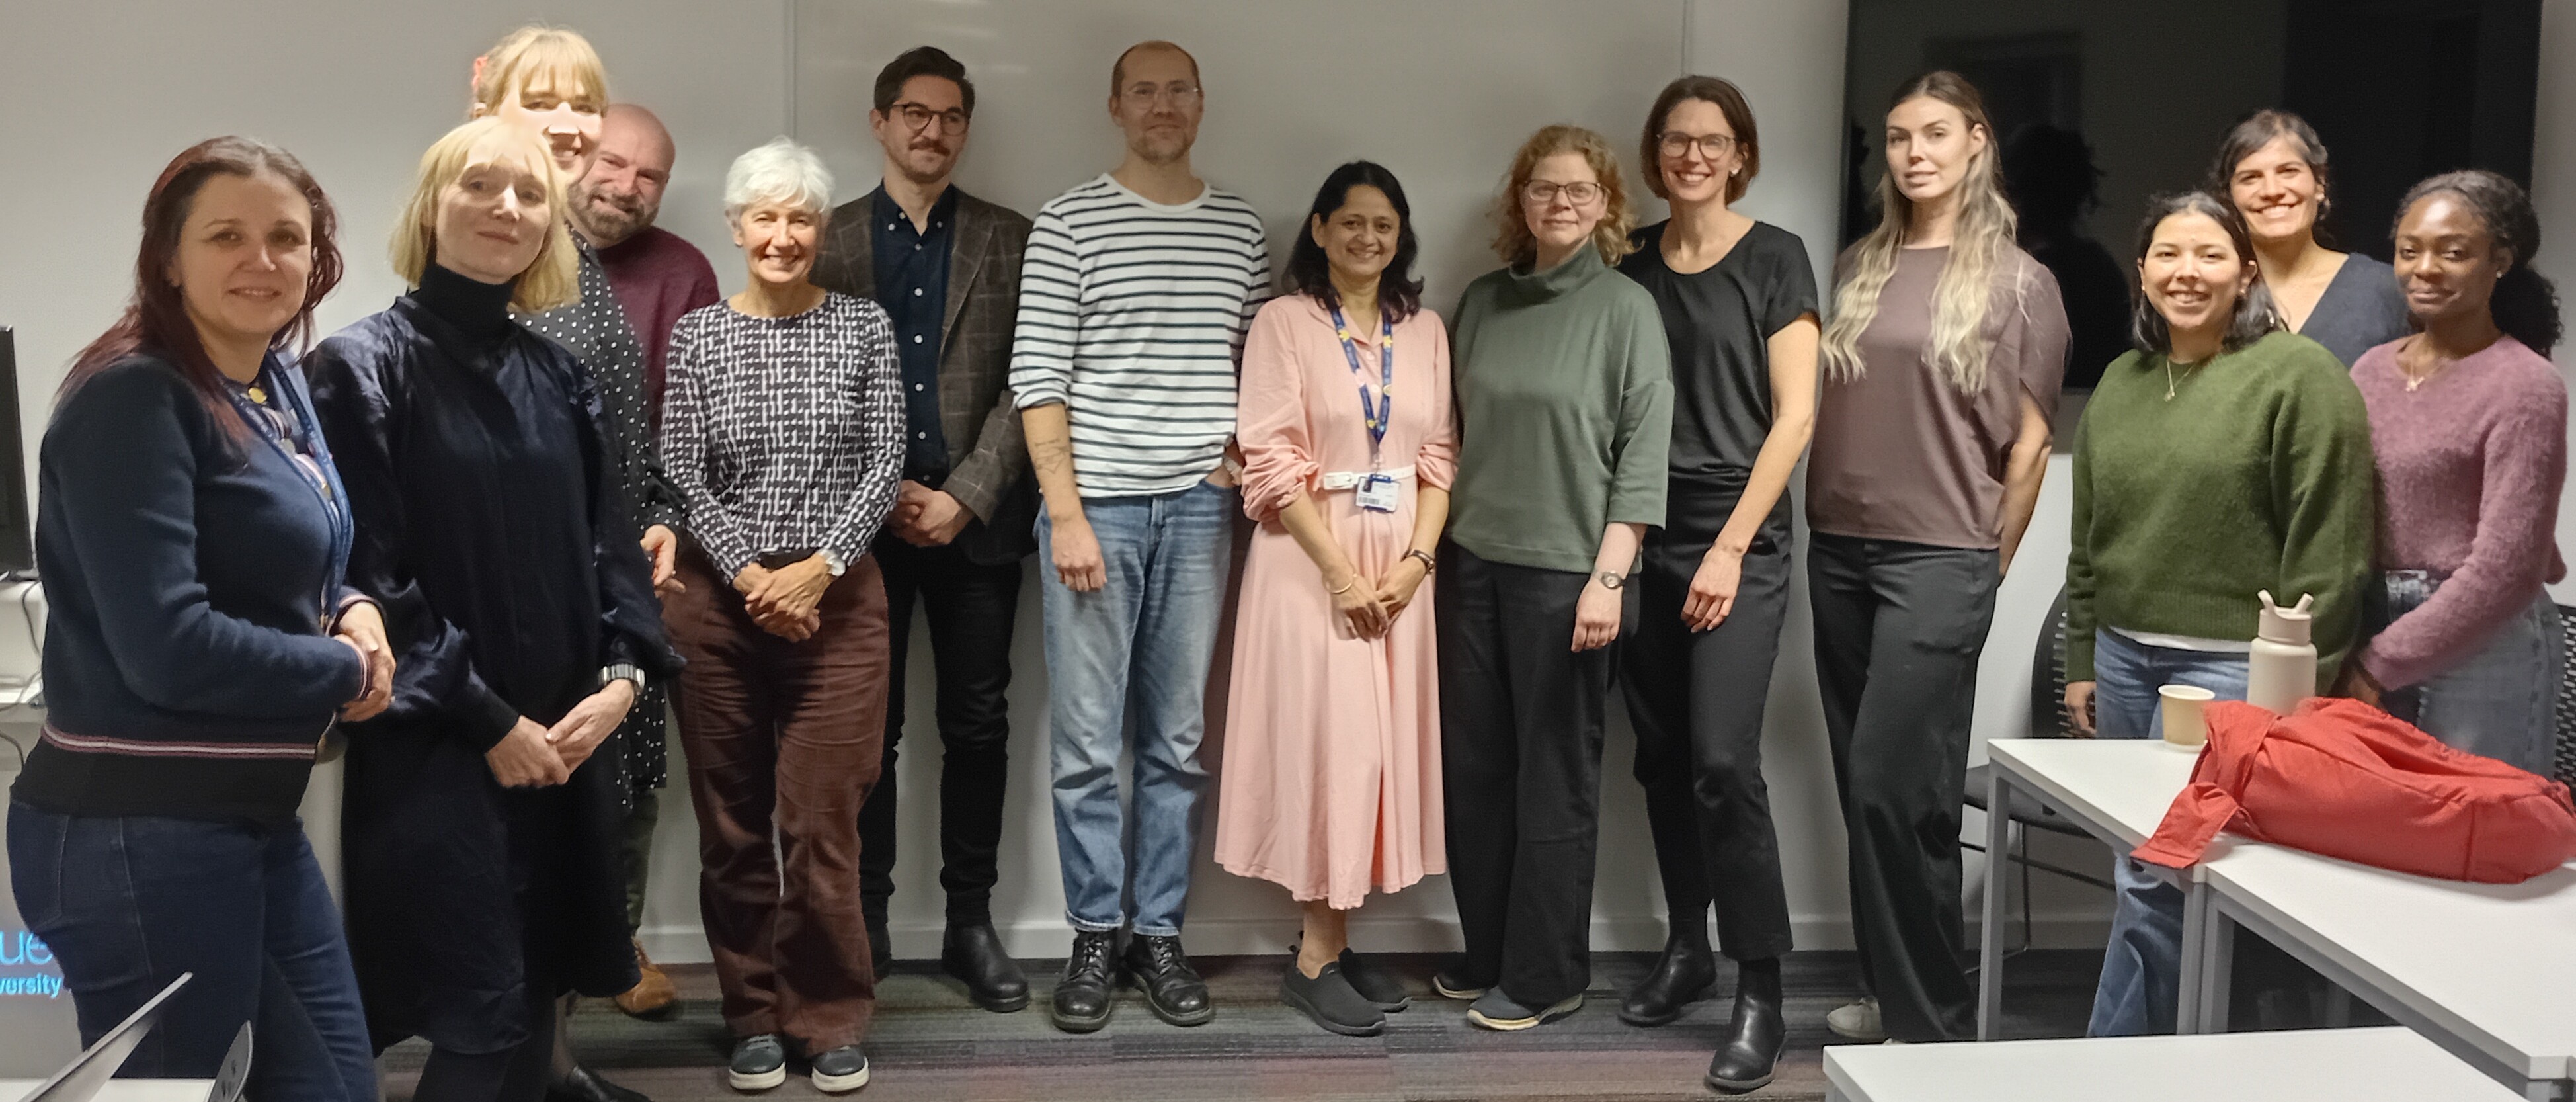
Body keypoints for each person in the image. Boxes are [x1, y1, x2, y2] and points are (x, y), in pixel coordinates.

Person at [306, 115, 677, 1102]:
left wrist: (623, 679)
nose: (506, 207)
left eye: (528, 194)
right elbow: (368, 573)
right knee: (477, 1005)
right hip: (444, 742)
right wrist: (489, 720)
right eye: (480, 184)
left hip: (567, 731)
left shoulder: (560, 374)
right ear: (432, 207)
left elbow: (614, 548)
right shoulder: (362, 367)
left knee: (545, 975)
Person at [7, 136, 383, 1102]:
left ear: (317, 257)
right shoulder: (134, 396)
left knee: (334, 1086)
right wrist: (345, 670)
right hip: (136, 834)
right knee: (176, 1095)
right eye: (227, 235)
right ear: (168, 258)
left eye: (286, 238)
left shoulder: (270, 381)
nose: (262, 261)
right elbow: (168, 649)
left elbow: (300, 552)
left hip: (245, 817)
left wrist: (354, 602)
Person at [2064, 191, 2375, 1038]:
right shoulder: (2124, 383)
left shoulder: (2297, 374)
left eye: (2208, 255)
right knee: (2148, 869)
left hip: (2235, 671)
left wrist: (2295, 686)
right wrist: (2081, 658)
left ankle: (2107, 1069)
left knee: (2164, 877)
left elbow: (2332, 543)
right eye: (2166, 254)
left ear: (2245, 271)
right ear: (2140, 273)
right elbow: (2088, 539)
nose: (2185, 273)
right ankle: (2167, 1063)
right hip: (2129, 662)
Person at [1008, 39, 1269, 1034]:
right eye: (1144, 91)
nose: (1162, 106)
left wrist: (1238, 455)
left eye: (1179, 90)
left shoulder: (1240, 226)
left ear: (1202, 103)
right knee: (1084, 744)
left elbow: (1260, 357)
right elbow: (1039, 376)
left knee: (1176, 739)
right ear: (1115, 106)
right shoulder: (1072, 221)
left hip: (1200, 510)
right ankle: (1091, 931)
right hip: (1096, 509)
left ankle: (1157, 932)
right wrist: (1066, 511)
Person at [1807, 71, 2066, 1045]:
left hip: (1940, 558)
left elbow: (2031, 449)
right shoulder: (1857, 267)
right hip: (1838, 551)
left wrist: (1980, 571)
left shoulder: (2018, 282)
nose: (1914, 153)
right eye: (1899, 138)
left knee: (1887, 781)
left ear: (1976, 143)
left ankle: (1928, 1030)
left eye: (1934, 134)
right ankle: (1904, 997)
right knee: (1885, 796)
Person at [659, 138, 903, 1095]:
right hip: (719, 611)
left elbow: (886, 459)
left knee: (822, 825)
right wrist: (756, 576)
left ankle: (830, 1014)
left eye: (801, 217)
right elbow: (680, 466)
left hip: (840, 611)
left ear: (823, 229)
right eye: (765, 215)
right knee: (732, 826)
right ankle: (754, 1015)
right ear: (735, 227)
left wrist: (819, 570)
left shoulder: (864, 328)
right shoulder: (699, 337)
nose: (783, 234)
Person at [468, 31, 690, 1084]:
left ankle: (552, 1065)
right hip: (524, 629)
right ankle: (515, 1073)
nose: (566, 122)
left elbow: (612, 432)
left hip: (607, 613)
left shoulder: (570, 256)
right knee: (519, 871)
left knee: (585, 866)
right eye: (540, 99)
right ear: (485, 98)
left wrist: (651, 513)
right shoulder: (485, 235)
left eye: (581, 104)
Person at [809, 45, 1037, 1011]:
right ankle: (863, 917)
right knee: (870, 728)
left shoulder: (1013, 237)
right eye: (913, 112)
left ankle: (969, 922)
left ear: (965, 128)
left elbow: (1034, 380)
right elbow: (811, 382)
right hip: (859, 532)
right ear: (880, 122)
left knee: (977, 724)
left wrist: (969, 490)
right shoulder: (826, 239)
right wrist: (881, 489)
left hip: (975, 525)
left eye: (949, 115)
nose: (931, 130)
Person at [1436, 124, 1672, 1033]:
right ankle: (1488, 950)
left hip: (1572, 576)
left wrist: (1610, 578)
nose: (1560, 203)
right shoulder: (1485, 301)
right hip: (1473, 565)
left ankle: (1546, 974)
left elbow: (1642, 458)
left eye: (1578, 190)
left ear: (1607, 204)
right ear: (1519, 201)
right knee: (1478, 771)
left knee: (1555, 779)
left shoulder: (1627, 310)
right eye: (1543, 189)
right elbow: (1450, 428)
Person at [1214, 161, 1456, 1037]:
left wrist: (1418, 561)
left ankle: (1336, 937)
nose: (1367, 238)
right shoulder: (1283, 323)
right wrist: (1342, 575)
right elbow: (1269, 458)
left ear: (1402, 237)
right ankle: (1314, 957)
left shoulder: (1422, 327)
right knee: (1334, 748)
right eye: (1350, 222)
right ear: (1318, 229)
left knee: (1378, 753)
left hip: (1400, 564)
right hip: (1311, 558)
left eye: (1384, 225)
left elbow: (1439, 456)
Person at [1612, 76, 1814, 1091]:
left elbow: (1796, 418)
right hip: (1640, 532)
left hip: (1740, 536)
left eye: (1715, 140)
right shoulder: (1628, 262)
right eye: (1678, 139)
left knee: (1724, 763)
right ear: (1656, 154)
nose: (1695, 154)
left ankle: (1761, 990)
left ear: (1741, 153)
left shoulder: (1777, 258)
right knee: (1657, 757)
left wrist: (1733, 547)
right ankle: (1687, 945)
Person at [565, 97, 719, 1025]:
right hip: (526, 553)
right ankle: (514, 957)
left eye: (649, 174)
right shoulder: (515, 249)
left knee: (628, 761)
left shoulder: (684, 272)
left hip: (639, 551)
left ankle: (613, 941)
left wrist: (669, 531)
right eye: (611, 164)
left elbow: (690, 421)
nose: (626, 187)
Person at [2341, 171, 2567, 775]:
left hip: (2482, 644)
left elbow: (2508, 570)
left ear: (2500, 261)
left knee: (2475, 848)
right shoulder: (2369, 370)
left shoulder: (2525, 385)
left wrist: (2377, 663)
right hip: (2375, 618)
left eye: (2454, 252)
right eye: (2409, 251)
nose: (2426, 268)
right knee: (2378, 844)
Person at [2210, 110, 2410, 366]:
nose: (2272, 191)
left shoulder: (2383, 290)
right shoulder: (2213, 292)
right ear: (2228, 197)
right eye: (2251, 178)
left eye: (2288, 172)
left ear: (2319, 184)